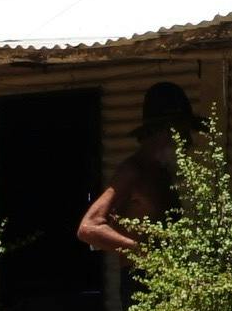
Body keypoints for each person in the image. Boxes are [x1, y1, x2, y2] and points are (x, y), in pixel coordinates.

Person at [77, 81, 200, 254]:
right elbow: (89, 228)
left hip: (170, 276)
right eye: (184, 133)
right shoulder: (132, 171)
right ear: (167, 131)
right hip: (139, 278)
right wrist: (144, 253)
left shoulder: (161, 173)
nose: (188, 141)